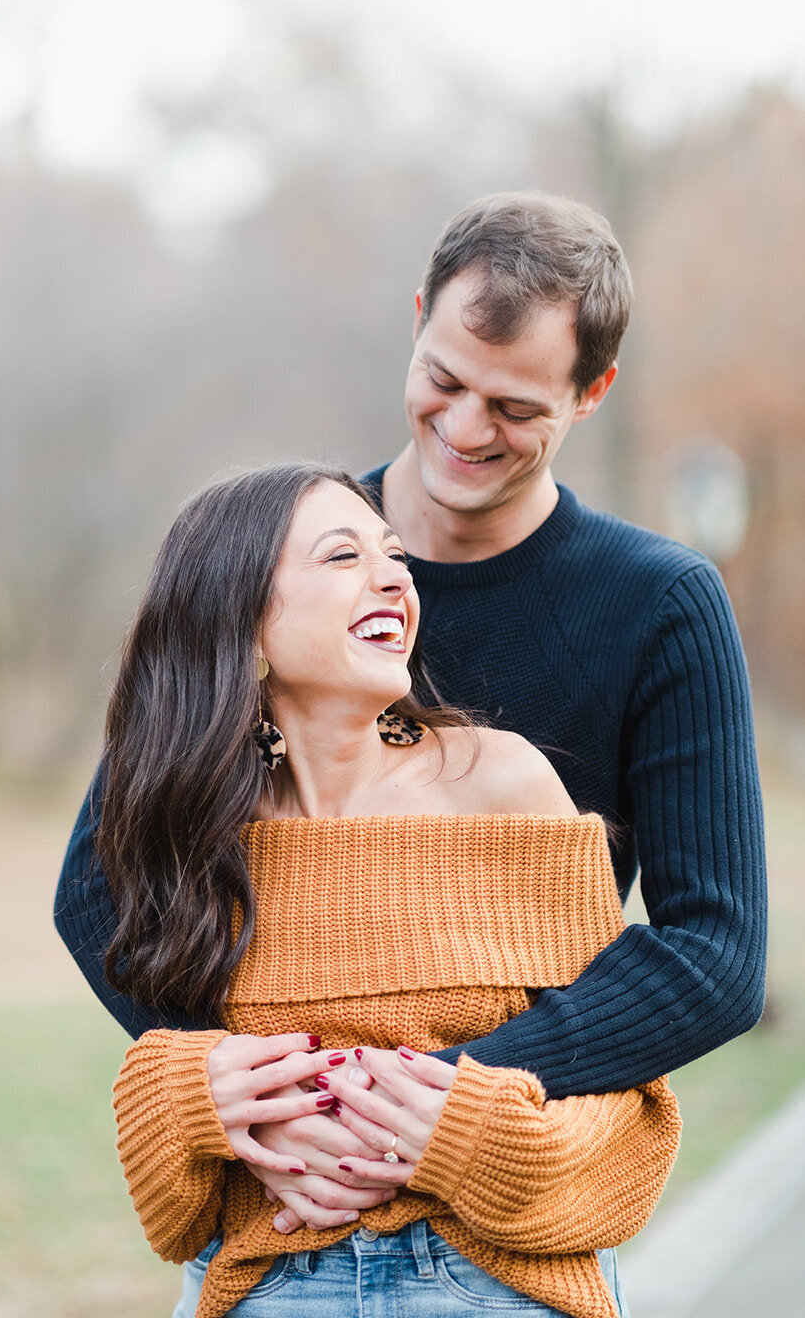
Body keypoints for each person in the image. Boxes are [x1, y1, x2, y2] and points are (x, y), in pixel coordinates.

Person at [55, 190, 766, 1235]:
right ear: (419, 313)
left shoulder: (658, 604)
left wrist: (436, 1101)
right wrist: (255, 1093)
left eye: (516, 408)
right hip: (288, 1207)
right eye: (442, 379)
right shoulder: (284, 568)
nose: (465, 428)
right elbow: (97, 885)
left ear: (591, 390)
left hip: (506, 1186)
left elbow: (713, 951)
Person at [104, 463, 681, 1317]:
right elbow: (173, 1212)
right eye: (342, 557)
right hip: (264, 1284)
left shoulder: (503, 783)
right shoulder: (195, 825)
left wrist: (477, 1141)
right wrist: (185, 1093)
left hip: (493, 1285)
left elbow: (634, 1106)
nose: (393, 577)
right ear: (246, 627)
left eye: (394, 555)